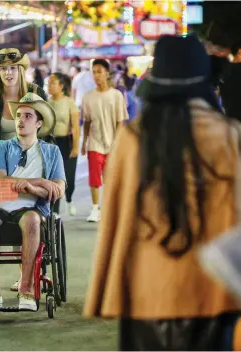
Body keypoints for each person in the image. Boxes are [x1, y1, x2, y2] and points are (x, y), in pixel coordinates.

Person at [84, 35, 240, 350]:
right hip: (213, 292)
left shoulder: (131, 139)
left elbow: (113, 219)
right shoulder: (229, 136)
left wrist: (106, 285)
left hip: (144, 289)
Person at [0, 92, 65, 312]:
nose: (20, 120)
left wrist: (31, 189)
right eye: (17, 116)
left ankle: (26, 289)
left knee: (33, 220)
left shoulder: (51, 152)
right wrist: (40, 182)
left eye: (27, 116)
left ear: (39, 123)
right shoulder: (0, 147)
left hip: (31, 209)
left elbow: (59, 189)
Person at [0, 48, 47, 292]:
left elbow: (47, 129)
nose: (8, 73)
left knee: (29, 212)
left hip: (34, 163)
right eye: (3, 69)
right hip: (2, 165)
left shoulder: (36, 94)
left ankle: (26, 275)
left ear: (21, 70)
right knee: (7, 213)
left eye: (12, 68)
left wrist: (46, 170)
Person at [81, 59, 128, 222]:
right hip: (95, 143)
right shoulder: (88, 97)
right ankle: (95, 209)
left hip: (112, 144)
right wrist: (84, 142)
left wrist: (119, 144)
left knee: (111, 179)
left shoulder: (116, 96)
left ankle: (110, 208)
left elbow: (120, 122)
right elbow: (86, 121)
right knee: (94, 178)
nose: (96, 75)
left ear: (107, 74)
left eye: (99, 71)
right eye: (94, 72)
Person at [48, 73, 80, 216]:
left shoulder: (69, 102)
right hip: (52, 143)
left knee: (69, 177)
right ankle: (55, 211)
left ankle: (69, 199)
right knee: (54, 177)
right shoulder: (46, 103)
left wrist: (75, 146)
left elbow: (76, 127)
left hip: (66, 142)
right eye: (48, 83)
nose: (49, 86)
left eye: (53, 83)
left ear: (61, 86)